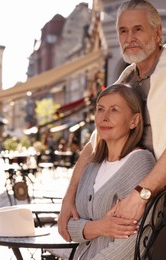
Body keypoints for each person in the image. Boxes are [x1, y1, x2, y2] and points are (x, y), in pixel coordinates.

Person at [58, 1, 166, 259]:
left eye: (138, 29)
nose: (130, 38)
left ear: (157, 34)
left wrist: (140, 194)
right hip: (141, 200)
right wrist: (68, 198)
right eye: (123, 31)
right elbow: (95, 144)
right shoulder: (126, 82)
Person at [66, 83, 155, 259]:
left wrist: (85, 229)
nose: (104, 117)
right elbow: (68, 228)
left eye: (114, 110)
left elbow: (136, 239)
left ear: (134, 121)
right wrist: (99, 227)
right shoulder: (92, 164)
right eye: (100, 109)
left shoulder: (140, 162)